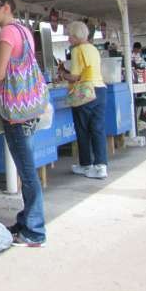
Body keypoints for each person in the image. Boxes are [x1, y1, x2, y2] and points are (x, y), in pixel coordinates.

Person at [0, 0, 47, 248]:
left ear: (5, 7)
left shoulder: (7, 33)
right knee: (27, 169)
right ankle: (26, 220)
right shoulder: (23, 30)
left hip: (16, 114)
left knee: (27, 173)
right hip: (29, 109)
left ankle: (34, 230)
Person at [59, 21, 108, 179]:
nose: (68, 39)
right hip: (100, 90)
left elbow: (75, 76)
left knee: (83, 130)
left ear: (76, 36)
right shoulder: (93, 49)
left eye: (70, 36)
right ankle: (101, 166)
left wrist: (63, 74)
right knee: (97, 129)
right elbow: (87, 71)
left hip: (85, 92)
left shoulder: (77, 50)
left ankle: (85, 164)